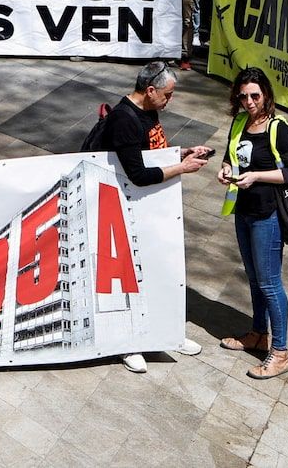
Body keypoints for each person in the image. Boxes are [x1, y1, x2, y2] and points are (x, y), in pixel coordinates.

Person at [79, 62, 213, 372]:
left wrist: (182, 153)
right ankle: (130, 345)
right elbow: (138, 173)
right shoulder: (124, 120)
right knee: (127, 279)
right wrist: (183, 168)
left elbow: (151, 152)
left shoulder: (148, 111)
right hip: (122, 209)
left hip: (146, 209)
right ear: (150, 90)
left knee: (159, 272)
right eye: (167, 95)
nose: (170, 100)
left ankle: (167, 334)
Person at [217, 67, 288, 381]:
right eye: (243, 96)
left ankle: (280, 353)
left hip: (268, 215)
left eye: (255, 95)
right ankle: (258, 334)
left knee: (269, 283)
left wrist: (257, 176)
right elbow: (233, 157)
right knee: (254, 279)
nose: (250, 101)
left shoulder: (278, 129)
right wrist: (225, 168)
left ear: (266, 93)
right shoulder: (239, 121)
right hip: (243, 210)